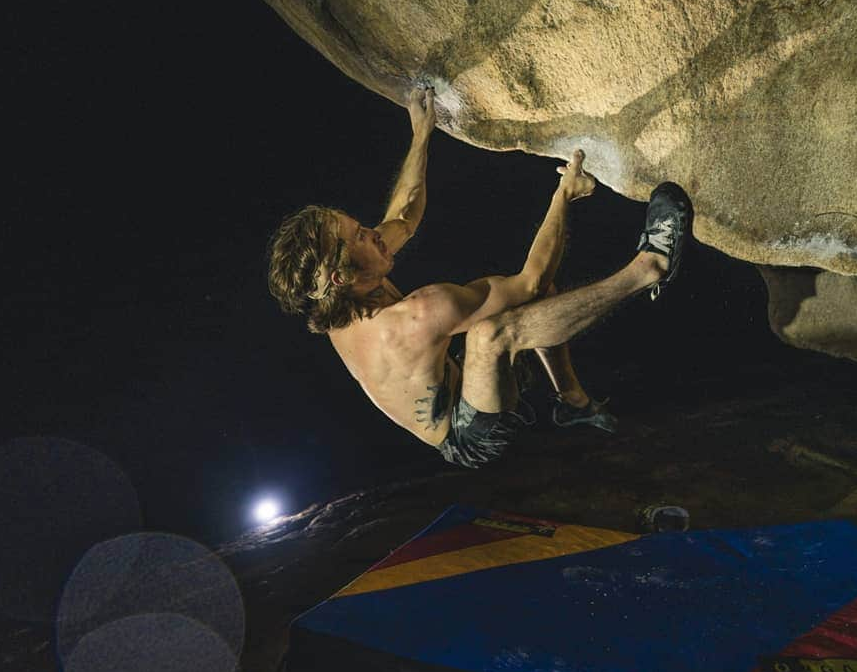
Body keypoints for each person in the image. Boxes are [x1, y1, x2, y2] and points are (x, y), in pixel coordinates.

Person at [267, 85, 692, 468]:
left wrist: (420, 134)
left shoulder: (338, 293)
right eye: (360, 234)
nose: (374, 233)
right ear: (341, 276)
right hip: (464, 434)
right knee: (491, 336)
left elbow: (404, 214)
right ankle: (649, 267)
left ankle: (573, 401)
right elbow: (528, 278)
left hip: (449, 376)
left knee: (540, 300)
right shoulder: (417, 316)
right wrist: (564, 194)